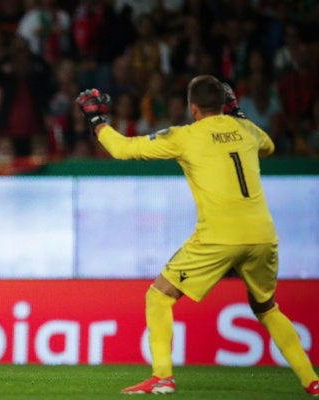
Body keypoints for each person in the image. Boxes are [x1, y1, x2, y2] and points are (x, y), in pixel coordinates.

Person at [75, 75, 319, 396]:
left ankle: (162, 377)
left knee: (159, 296)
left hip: (219, 236)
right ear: (224, 104)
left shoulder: (186, 136)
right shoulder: (246, 129)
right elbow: (270, 146)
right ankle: (311, 381)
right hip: (262, 234)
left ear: (193, 108)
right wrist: (238, 115)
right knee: (267, 308)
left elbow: (122, 149)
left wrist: (96, 118)